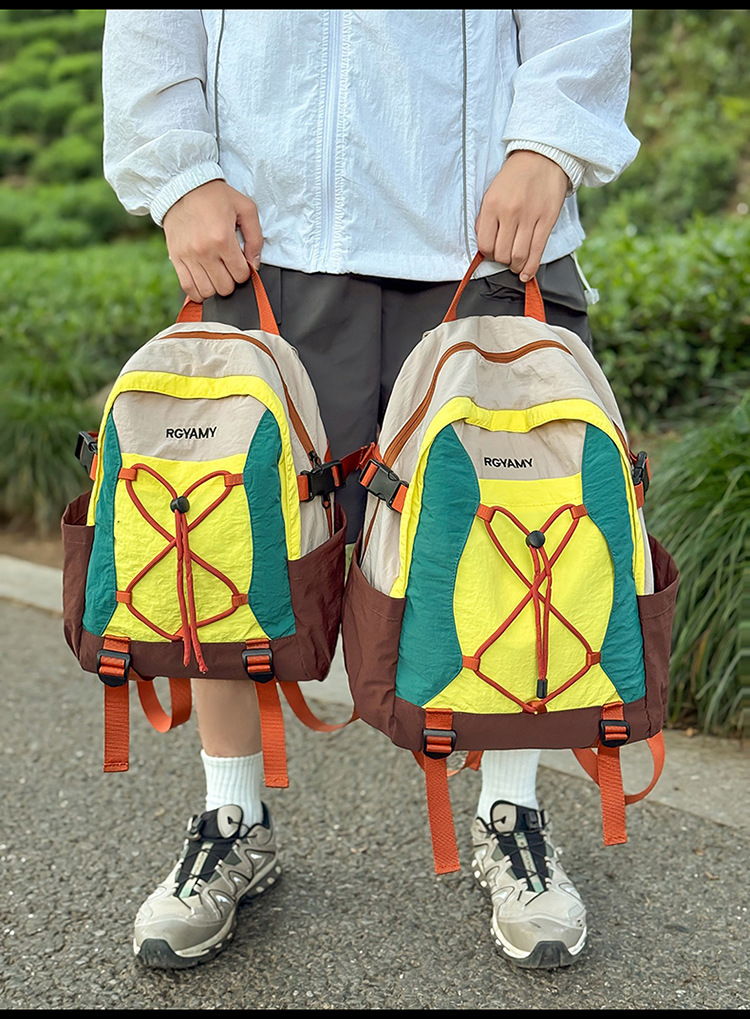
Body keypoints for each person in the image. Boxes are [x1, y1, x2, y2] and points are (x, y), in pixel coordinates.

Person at [102, 9, 639, 971]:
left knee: (521, 532)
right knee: (222, 527)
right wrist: (178, 173)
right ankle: (232, 815)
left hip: (481, 213)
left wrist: (548, 144)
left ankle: (510, 812)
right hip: (264, 218)